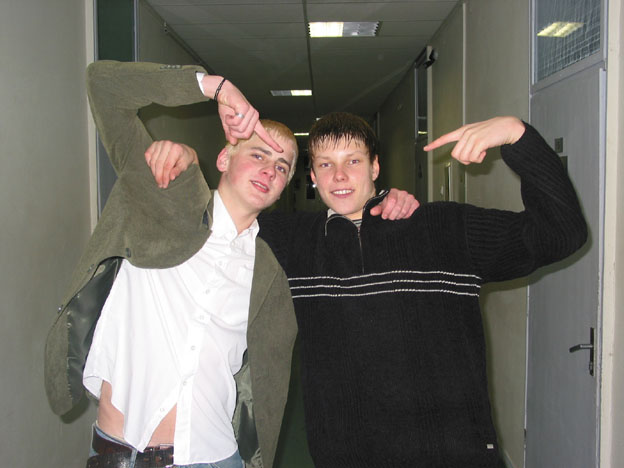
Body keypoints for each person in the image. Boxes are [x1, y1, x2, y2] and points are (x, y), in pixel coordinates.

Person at [44, 61, 417, 468]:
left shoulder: (277, 262)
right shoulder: (160, 194)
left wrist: (386, 204)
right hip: (118, 452)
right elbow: (104, 85)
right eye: (258, 154)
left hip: (215, 457)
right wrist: (214, 87)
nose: (269, 170)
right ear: (224, 158)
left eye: (282, 167)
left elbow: (351, 259)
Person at [252, 113, 588, 467]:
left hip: (452, 455)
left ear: (375, 167)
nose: (339, 176)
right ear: (312, 176)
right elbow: (221, 220)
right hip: (347, 456)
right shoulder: (292, 243)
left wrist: (517, 135)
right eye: (326, 164)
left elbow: (562, 234)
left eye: (353, 161)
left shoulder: (445, 229)